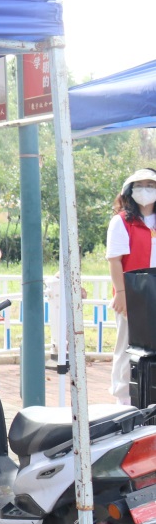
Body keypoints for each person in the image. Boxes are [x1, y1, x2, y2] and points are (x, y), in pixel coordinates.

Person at [107, 167, 156, 404]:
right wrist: (121, 293)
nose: (145, 190)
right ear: (130, 190)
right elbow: (114, 260)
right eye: (140, 185)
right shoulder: (122, 222)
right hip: (133, 294)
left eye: (151, 185)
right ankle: (123, 399)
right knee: (127, 347)